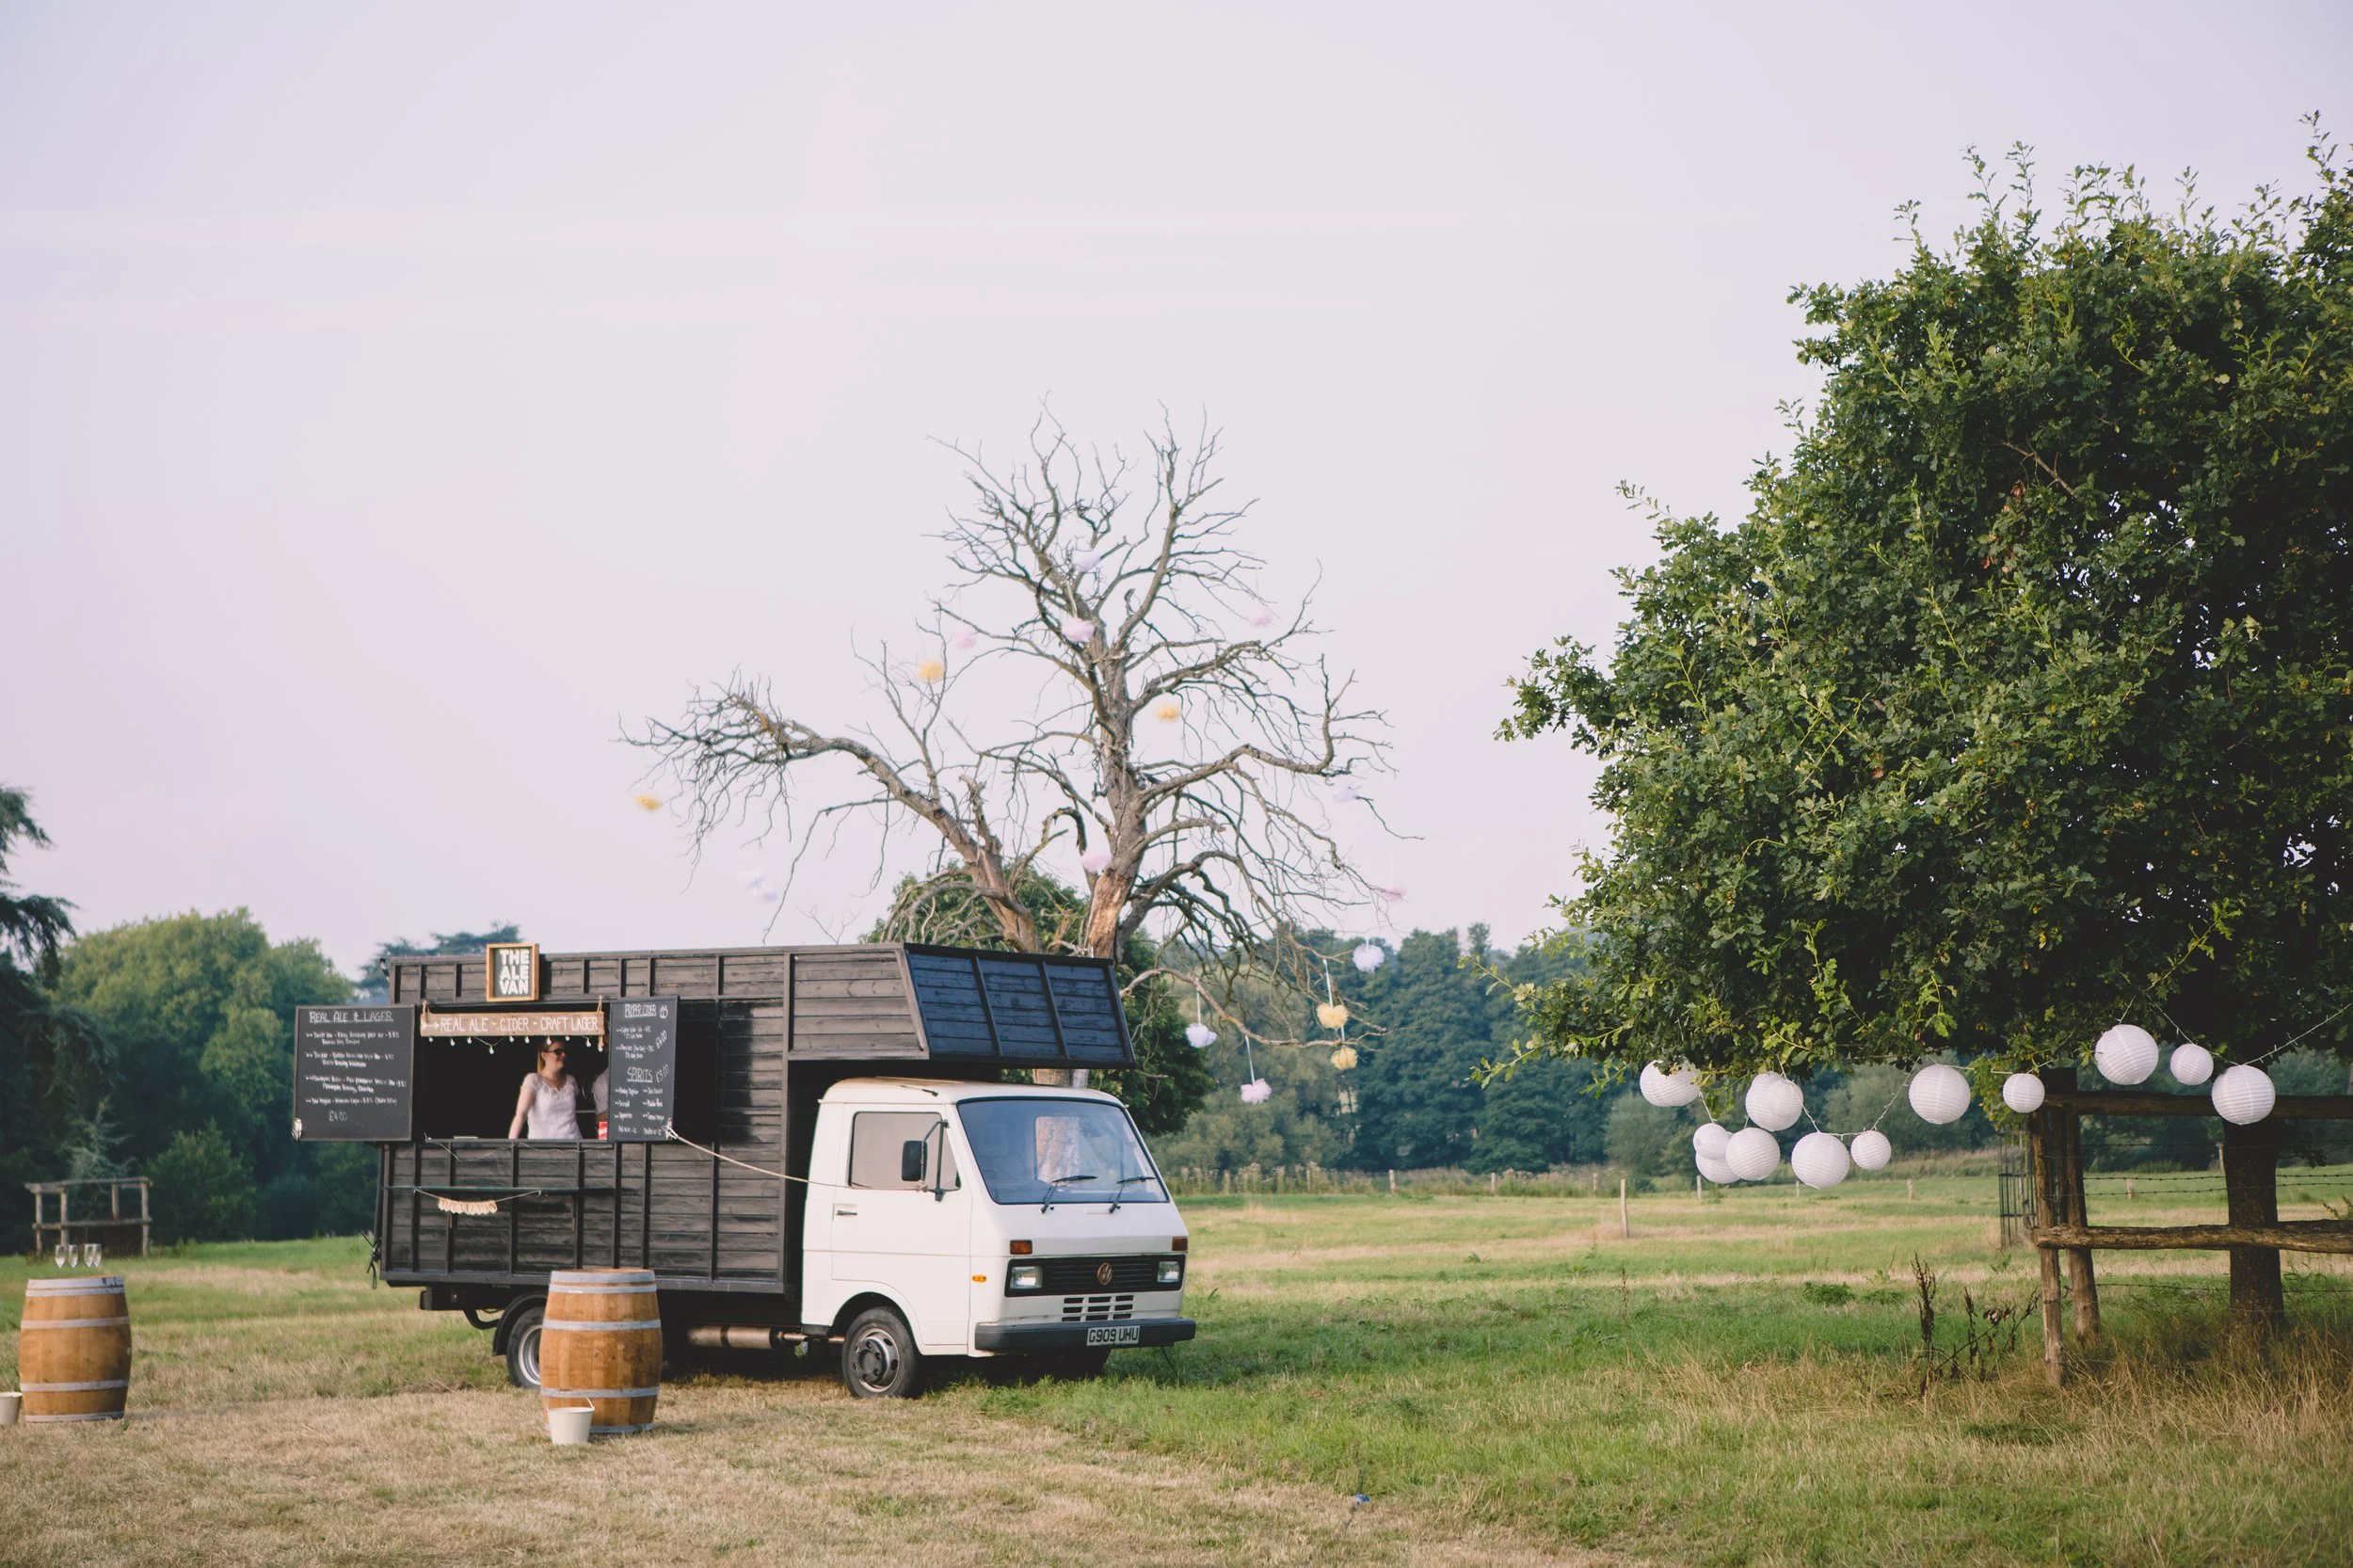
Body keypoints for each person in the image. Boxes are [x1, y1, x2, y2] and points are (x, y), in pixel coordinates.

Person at [507, 1041, 584, 1140]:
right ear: (544, 1055)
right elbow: (521, 1115)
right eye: (558, 1051)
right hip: (543, 1148)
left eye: (565, 1051)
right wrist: (511, 1145)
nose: (563, 1055)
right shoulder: (533, 1079)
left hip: (573, 1145)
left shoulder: (571, 1080)